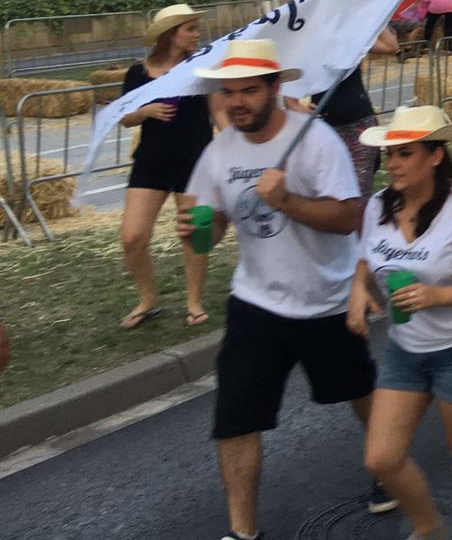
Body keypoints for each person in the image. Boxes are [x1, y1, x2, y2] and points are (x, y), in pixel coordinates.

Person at [177, 39, 402, 537]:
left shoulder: (316, 141)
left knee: (358, 391)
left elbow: (348, 218)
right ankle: (242, 531)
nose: (238, 101)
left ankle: (388, 471)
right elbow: (209, 227)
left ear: (276, 89)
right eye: (229, 92)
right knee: (235, 417)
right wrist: (195, 230)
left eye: (250, 90)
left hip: (327, 300)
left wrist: (287, 201)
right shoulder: (218, 152)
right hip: (256, 304)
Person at [350, 107, 452, 540]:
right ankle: (429, 528)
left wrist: (439, 296)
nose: (394, 164)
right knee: (381, 458)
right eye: (390, 155)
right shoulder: (380, 206)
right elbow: (367, 255)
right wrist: (358, 292)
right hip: (406, 347)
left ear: (435, 155)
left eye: (405, 154)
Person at [118, 4, 221, 330]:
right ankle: (148, 299)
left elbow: (218, 111)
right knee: (132, 237)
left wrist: (234, 144)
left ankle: (194, 301)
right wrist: (146, 111)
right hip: (152, 160)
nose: (197, 34)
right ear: (170, 35)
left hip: (195, 160)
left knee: (195, 234)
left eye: (195, 28)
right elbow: (125, 117)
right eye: (189, 29)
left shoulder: (201, 68)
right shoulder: (138, 72)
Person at [299, 0, 400, 196]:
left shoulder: (349, 34)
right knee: (331, 193)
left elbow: (391, 46)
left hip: (358, 123)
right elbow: (285, 86)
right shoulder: (302, 43)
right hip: (325, 127)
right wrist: (296, 108)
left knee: (357, 194)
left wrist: (371, 14)